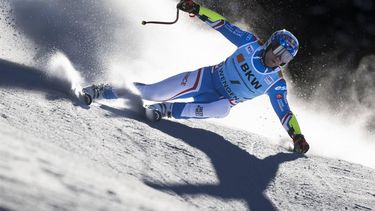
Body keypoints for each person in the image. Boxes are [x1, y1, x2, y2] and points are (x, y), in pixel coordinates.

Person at [82, 0, 310, 153]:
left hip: (219, 100)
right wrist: (197, 9)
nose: (280, 60)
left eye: (287, 58)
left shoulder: (276, 82)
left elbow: (285, 112)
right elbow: (223, 25)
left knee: (223, 110)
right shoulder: (249, 43)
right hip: (205, 79)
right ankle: (102, 90)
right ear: (271, 44)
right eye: (280, 52)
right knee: (151, 91)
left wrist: (297, 136)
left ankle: (167, 109)